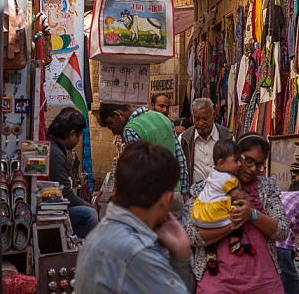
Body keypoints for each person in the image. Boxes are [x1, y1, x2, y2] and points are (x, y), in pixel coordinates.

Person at [75, 141, 195, 293]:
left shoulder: (100, 234)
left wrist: (180, 253)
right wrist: (183, 258)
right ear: (166, 199)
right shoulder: (137, 252)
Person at [186, 132, 289, 292]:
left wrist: (252, 215)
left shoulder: (266, 188)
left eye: (259, 164)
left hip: (263, 280)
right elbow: (192, 236)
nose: (253, 169)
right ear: (234, 156)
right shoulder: (206, 188)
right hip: (218, 281)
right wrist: (232, 225)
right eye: (248, 161)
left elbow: (282, 231)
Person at [98, 103, 190, 221]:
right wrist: (185, 191)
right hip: (174, 194)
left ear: (117, 114)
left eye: (111, 125)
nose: (114, 132)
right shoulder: (163, 118)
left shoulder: (130, 129)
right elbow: (180, 157)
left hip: (150, 202)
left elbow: (136, 172)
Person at [189, 140, 247, 275]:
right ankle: (234, 243)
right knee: (239, 212)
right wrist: (244, 196)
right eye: (236, 161)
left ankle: (211, 255)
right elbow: (236, 195)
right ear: (221, 162)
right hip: (215, 213)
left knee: (211, 235)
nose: (240, 164)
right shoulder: (228, 178)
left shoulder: (213, 174)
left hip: (201, 213)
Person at [46, 107, 98, 239]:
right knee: (89, 214)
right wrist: (90, 206)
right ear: (72, 134)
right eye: (79, 136)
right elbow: (66, 195)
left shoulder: (55, 147)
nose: (78, 140)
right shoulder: (56, 153)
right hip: (49, 209)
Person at [180, 98, 233, 185]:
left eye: (205, 119)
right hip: (194, 195)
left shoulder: (227, 137)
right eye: (197, 119)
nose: (201, 123)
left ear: (213, 115)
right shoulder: (184, 139)